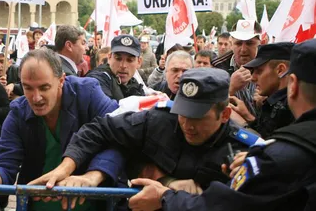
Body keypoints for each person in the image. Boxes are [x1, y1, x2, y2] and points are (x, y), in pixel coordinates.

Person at [127, 39, 316, 211]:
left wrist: (165, 197)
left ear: (293, 84)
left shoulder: (276, 157)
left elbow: (221, 205)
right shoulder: (278, 152)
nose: (188, 124)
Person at [39, 68, 250, 196]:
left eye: (197, 117)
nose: (187, 124)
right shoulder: (159, 120)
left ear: (224, 115)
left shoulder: (244, 152)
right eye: (183, 113)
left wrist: (176, 194)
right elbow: (100, 129)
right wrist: (66, 167)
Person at [0, 49, 124, 210]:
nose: (36, 97)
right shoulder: (18, 112)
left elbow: (118, 137)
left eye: (44, 88)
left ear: (61, 80)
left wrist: (92, 177)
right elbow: (6, 165)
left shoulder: (88, 93)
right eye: (28, 88)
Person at [230, 42, 295, 138]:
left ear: (280, 70)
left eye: (259, 71)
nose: (253, 78)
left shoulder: (291, 105)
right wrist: (247, 116)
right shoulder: (276, 101)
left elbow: (272, 146)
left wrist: (243, 124)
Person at [86, 35, 145, 101]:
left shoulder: (134, 84)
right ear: (109, 57)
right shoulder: (98, 80)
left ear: (139, 62)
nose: (123, 65)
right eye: (118, 59)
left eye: (129, 60)